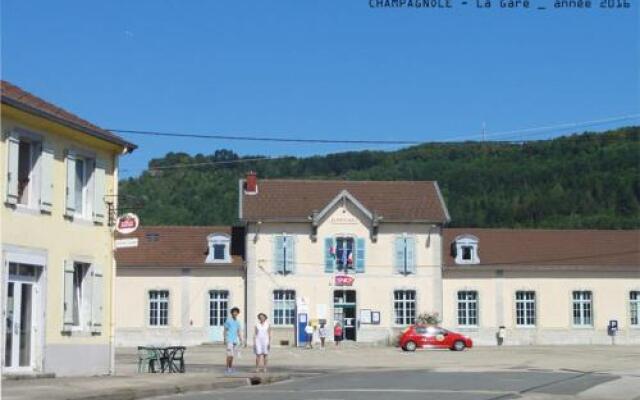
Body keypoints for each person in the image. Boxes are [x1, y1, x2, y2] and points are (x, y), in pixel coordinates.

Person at [223, 307, 243, 374]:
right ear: (232, 313)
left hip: (235, 340)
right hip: (229, 340)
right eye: (234, 312)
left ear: (238, 313)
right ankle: (227, 368)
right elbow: (225, 330)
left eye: (236, 312)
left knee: (232, 355)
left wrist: (240, 339)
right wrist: (225, 339)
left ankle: (230, 368)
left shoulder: (237, 322)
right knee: (229, 355)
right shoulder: (228, 321)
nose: (235, 313)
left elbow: (238, 331)